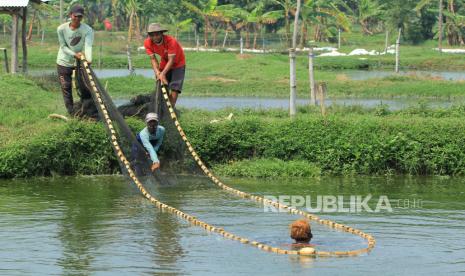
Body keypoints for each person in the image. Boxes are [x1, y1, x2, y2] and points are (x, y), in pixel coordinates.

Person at [56, 5, 94, 115]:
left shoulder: (87, 30)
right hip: (63, 62)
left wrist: (89, 59)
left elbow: (88, 46)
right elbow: (63, 46)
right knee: (66, 88)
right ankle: (71, 113)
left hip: (79, 62)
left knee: (85, 87)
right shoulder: (61, 29)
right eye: (75, 16)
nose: (77, 19)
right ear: (70, 15)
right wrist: (74, 54)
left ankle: (86, 111)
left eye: (80, 17)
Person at [144, 23, 186, 107]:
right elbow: (153, 59)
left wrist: (162, 73)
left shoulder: (171, 41)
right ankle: (164, 106)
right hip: (164, 62)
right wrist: (158, 73)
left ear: (161, 33)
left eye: (157, 34)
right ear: (149, 35)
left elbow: (171, 60)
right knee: (162, 83)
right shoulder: (147, 43)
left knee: (175, 87)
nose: (155, 37)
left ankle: (172, 106)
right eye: (152, 35)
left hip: (178, 63)